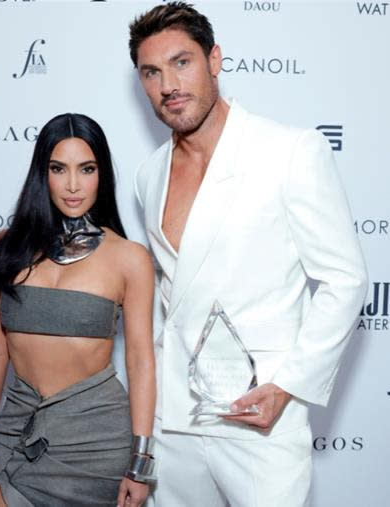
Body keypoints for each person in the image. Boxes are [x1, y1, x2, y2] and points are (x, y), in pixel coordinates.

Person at [128, 2, 368, 505]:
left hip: (258, 416)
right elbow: (167, 300)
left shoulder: (288, 150)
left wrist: (287, 386)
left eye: (182, 62)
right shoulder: (148, 175)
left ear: (214, 60)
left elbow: (345, 280)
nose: (168, 84)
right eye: (151, 72)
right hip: (174, 423)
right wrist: (147, 429)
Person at [0, 113, 156, 507]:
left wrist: (140, 463)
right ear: (42, 173)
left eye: (86, 169)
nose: (73, 185)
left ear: (101, 174)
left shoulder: (129, 258)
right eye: (59, 169)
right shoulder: (6, 247)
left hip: (98, 444)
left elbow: (140, 361)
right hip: (17, 431)